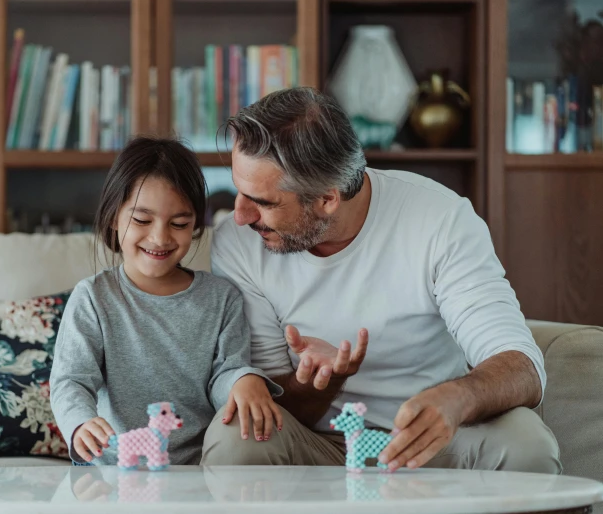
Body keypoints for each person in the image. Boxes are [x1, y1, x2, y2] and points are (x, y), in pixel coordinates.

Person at [201, 87, 561, 474]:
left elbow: (522, 366)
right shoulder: (239, 243)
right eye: (239, 189)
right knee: (236, 435)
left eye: (263, 201)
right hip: (320, 443)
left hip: (436, 440)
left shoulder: (440, 220)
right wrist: (325, 381)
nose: (238, 215)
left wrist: (458, 398)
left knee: (528, 444)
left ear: (327, 199)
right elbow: (275, 402)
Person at [50, 136, 283, 467]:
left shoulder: (221, 298)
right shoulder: (93, 298)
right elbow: (71, 380)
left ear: (195, 225)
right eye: (142, 220)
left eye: (179, 224)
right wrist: (79, 424)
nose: (160, 238)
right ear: (115, 217)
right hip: (116, 472)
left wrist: (243, 379)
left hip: (198, 470)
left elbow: (226, 371)